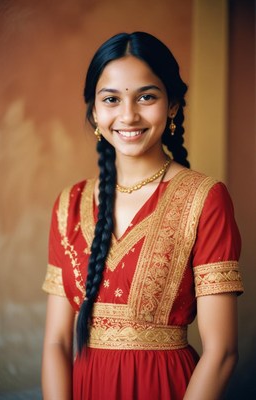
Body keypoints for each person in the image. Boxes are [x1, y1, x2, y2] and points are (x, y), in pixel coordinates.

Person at [41, 31, 244, 400]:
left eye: (146, 96)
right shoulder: (70, 203)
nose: (128, 115)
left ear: (172, 105)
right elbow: (56, 342)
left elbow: (223, 352)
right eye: (111, 99)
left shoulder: (205, 198)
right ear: (94, 110)